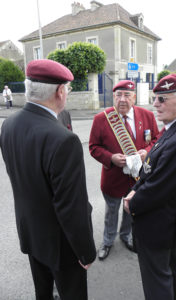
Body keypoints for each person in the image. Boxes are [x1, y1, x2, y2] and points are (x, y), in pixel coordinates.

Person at [0, 59, 96, 300]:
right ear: (60, 91)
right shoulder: (64, 139)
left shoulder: (8, 124)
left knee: (42, 292)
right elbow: (71, 207)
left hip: (31, 233)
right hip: (61, 245)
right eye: (68, 88)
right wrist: (85, 253)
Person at [123, 74, 176, 300]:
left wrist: (132, 201)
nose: (155, 104)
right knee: (167, 272)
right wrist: (136, 187)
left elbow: (159, 188)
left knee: (157, 282)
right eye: (155, 98)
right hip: (166, 224)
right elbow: (152, 168)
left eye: (162, 99)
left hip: (160, 226)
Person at [89, 80, 159, 260]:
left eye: (127, 95)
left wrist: (147, 151)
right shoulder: (102, 119)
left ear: (134, 97)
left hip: (137, 178)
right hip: (113, 176)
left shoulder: (147, 115)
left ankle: (125, 236)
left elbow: (157, 140)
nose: (122, 99)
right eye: (118, 95)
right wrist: (110, 158)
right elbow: (93, 147)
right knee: (111, 212)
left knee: (131, 209)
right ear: (113, 97)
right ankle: (107, 241)